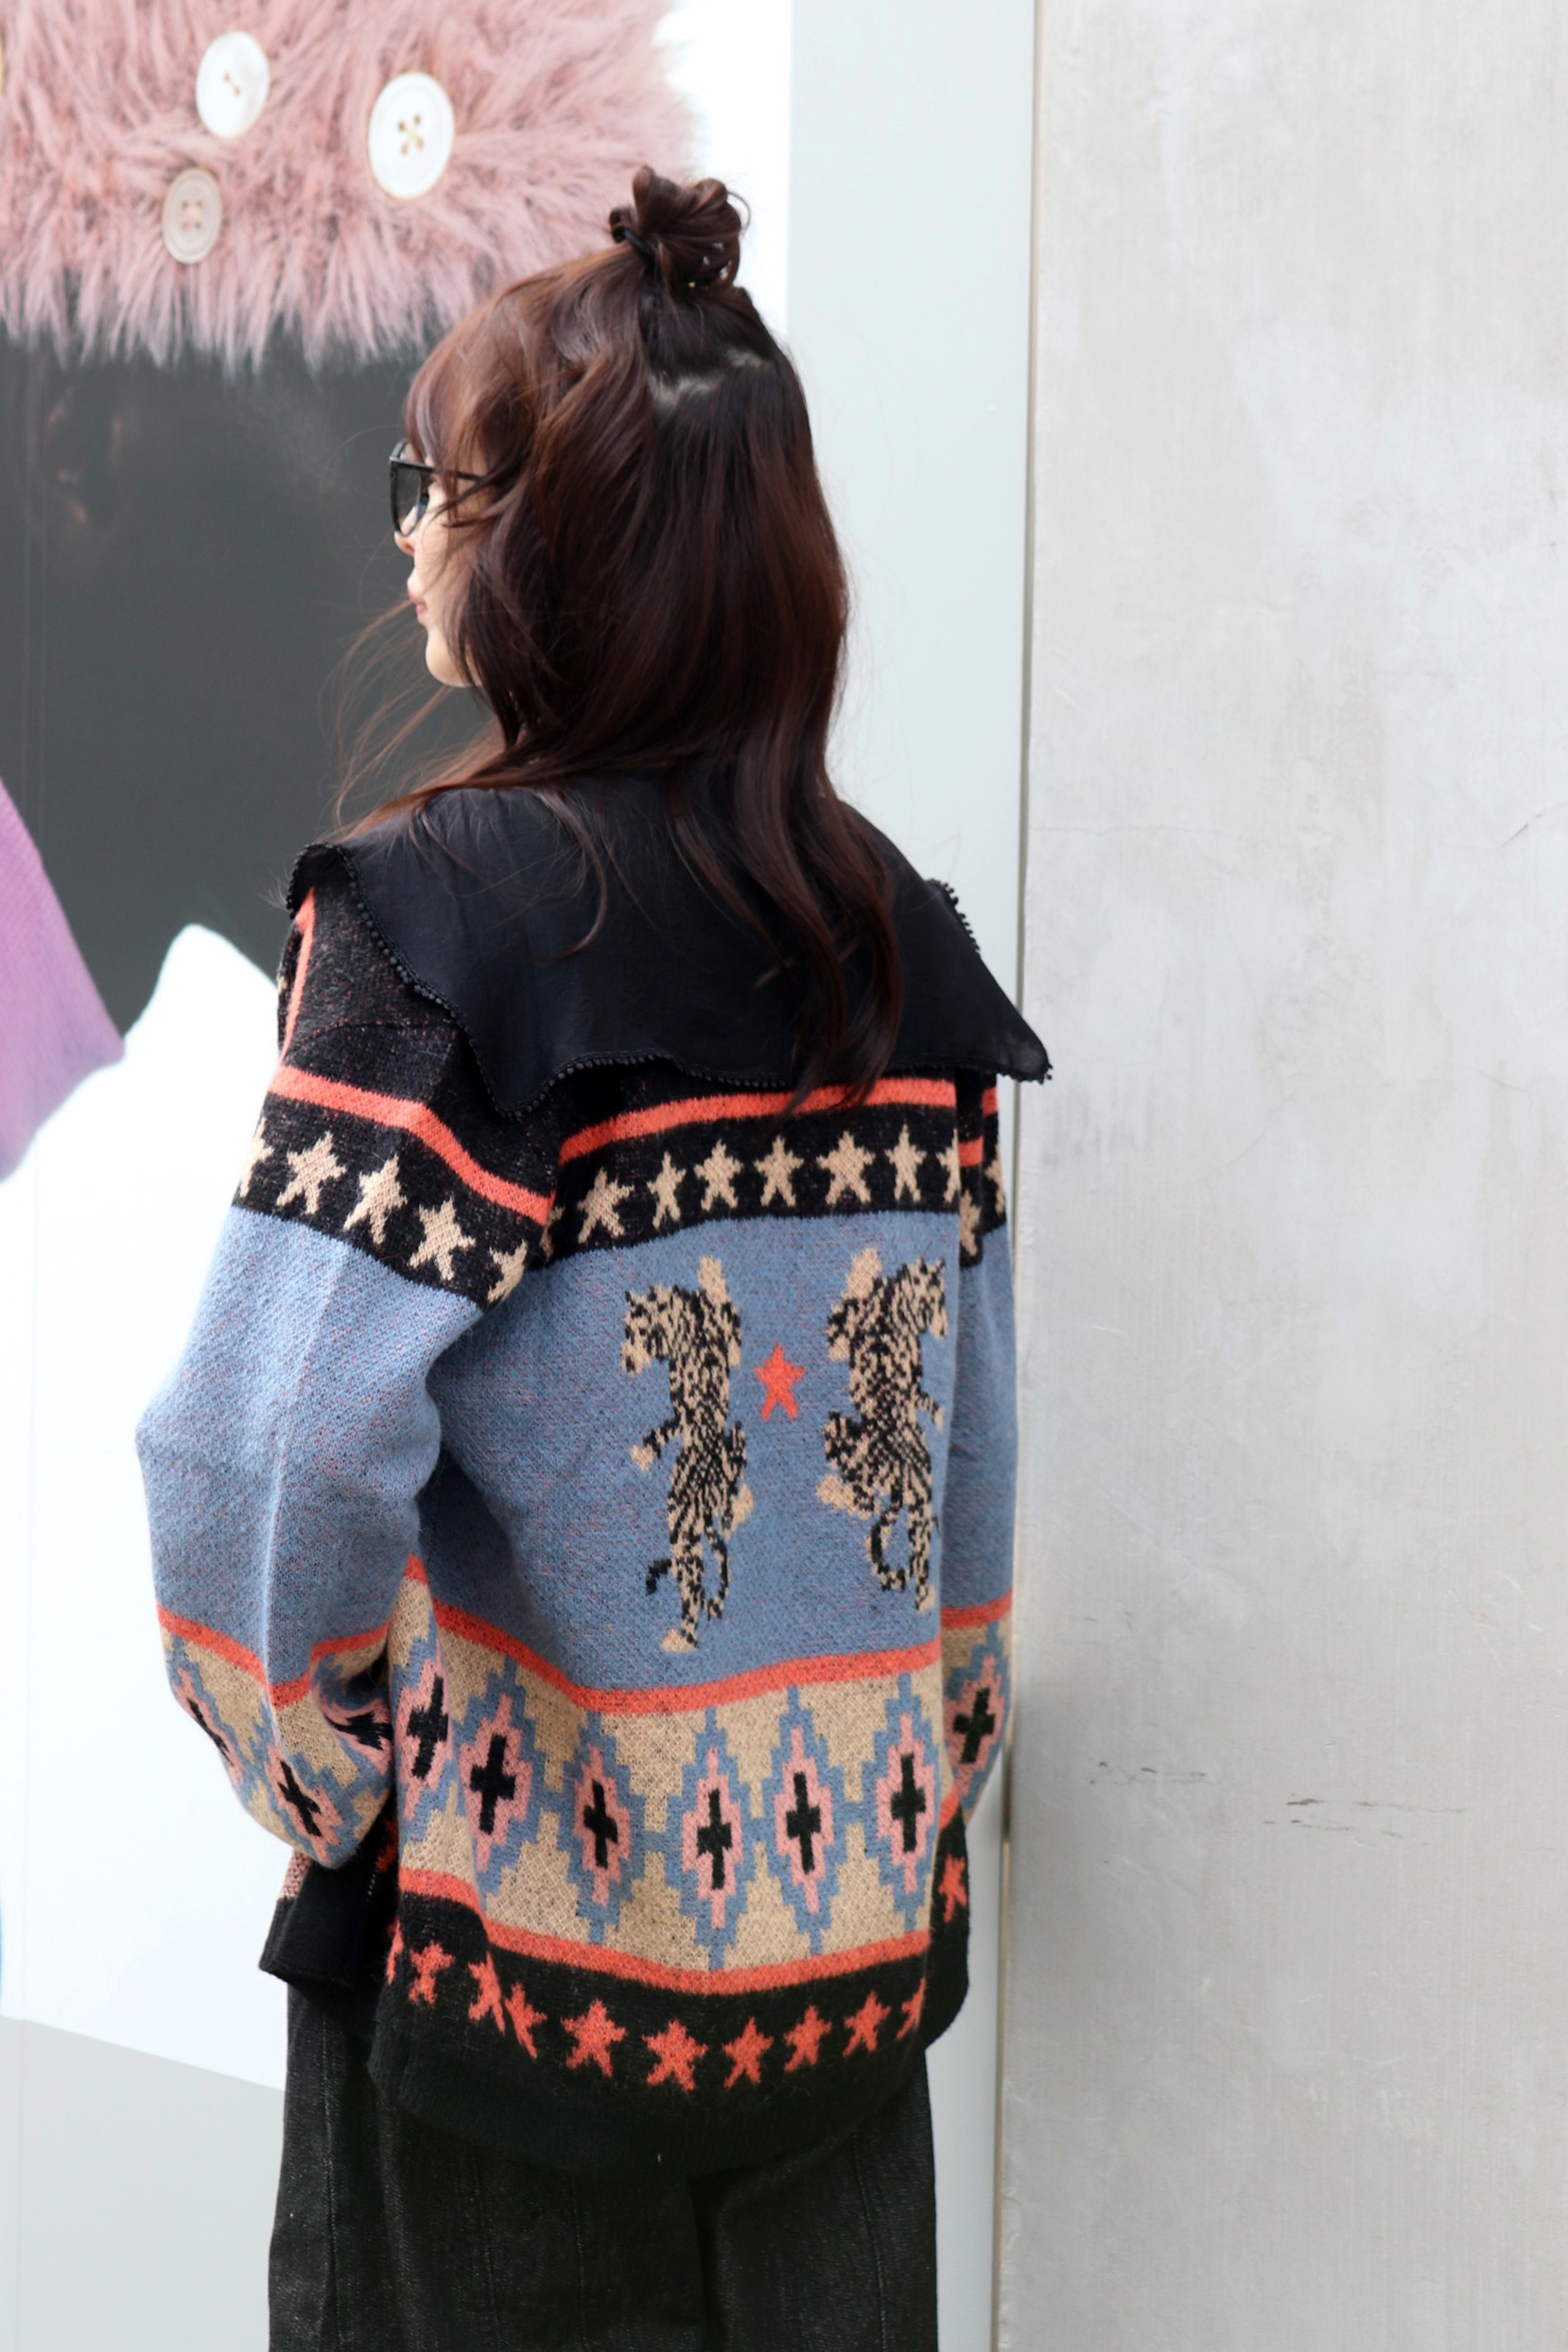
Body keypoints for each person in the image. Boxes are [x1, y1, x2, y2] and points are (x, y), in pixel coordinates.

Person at [138, 166, 1048, 2352]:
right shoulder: (895, 939)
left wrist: (327, 1779)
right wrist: (899, 1777)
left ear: (549, 553)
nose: (406, 543)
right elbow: (968, 1459)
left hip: (504, 2019)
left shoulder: (429, 922)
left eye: (432, 494)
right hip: (840, 2004)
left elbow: (258, 1450)